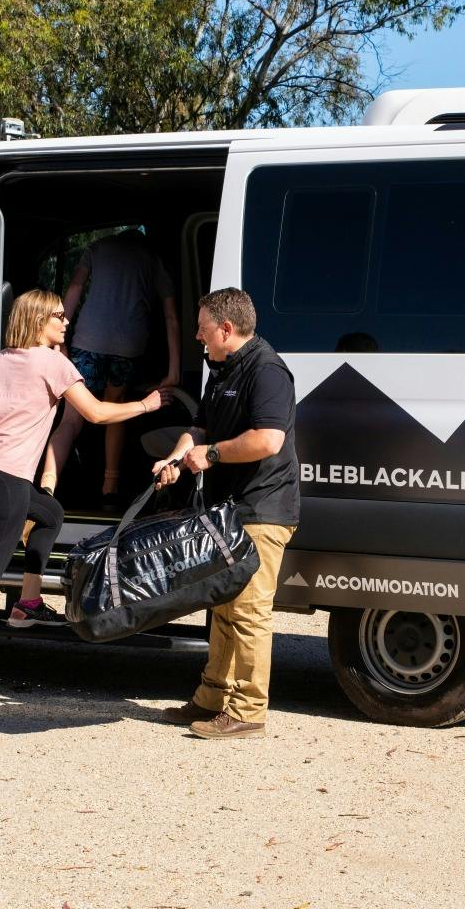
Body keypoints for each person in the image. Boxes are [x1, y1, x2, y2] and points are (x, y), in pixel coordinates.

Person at [0, 289, 163, 710]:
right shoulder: (52, 362)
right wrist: (148, 404)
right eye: (58, 315)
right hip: (6, 480)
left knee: (49, 513)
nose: (66, 321)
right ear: (38, 322)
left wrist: (1, 433)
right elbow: (97, 414)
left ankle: (28, 603)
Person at [152, 287, 299, 740]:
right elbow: (200, 429)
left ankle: (248, 710)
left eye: (202, 328)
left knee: (250, 610)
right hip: (229, 510)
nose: (197, 336)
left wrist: (210, 457)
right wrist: (177, 459)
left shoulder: (268, 370)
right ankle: (212, 696)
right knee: (223, 606)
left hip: (263, 508)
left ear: (226, 329)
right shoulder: (222, 368)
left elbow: (268, 441)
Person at [44, 228, 181, 503]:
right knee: (116, 406)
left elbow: (74, 288)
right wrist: (174, 369)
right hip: (128, 345)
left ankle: (48, 485)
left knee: (71, 419)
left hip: (88, 339)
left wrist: (60, 338)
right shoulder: (153, 256)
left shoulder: (97, 247)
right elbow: (170, 317)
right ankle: (110, 486)